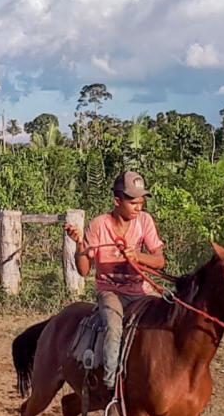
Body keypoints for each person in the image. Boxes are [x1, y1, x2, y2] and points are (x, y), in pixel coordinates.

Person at [64, 171, 167, 404]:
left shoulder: (145, 221)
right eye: (133, 202)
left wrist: (137, 256)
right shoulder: (99, 225)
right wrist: (80, 244)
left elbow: (160, 261)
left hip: (141, 291)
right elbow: (83, 270)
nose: (138, 207)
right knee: (113, 326)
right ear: (117, 201)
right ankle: (111, 389)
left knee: (164, 322)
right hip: (111, 291)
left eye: (141, 202)